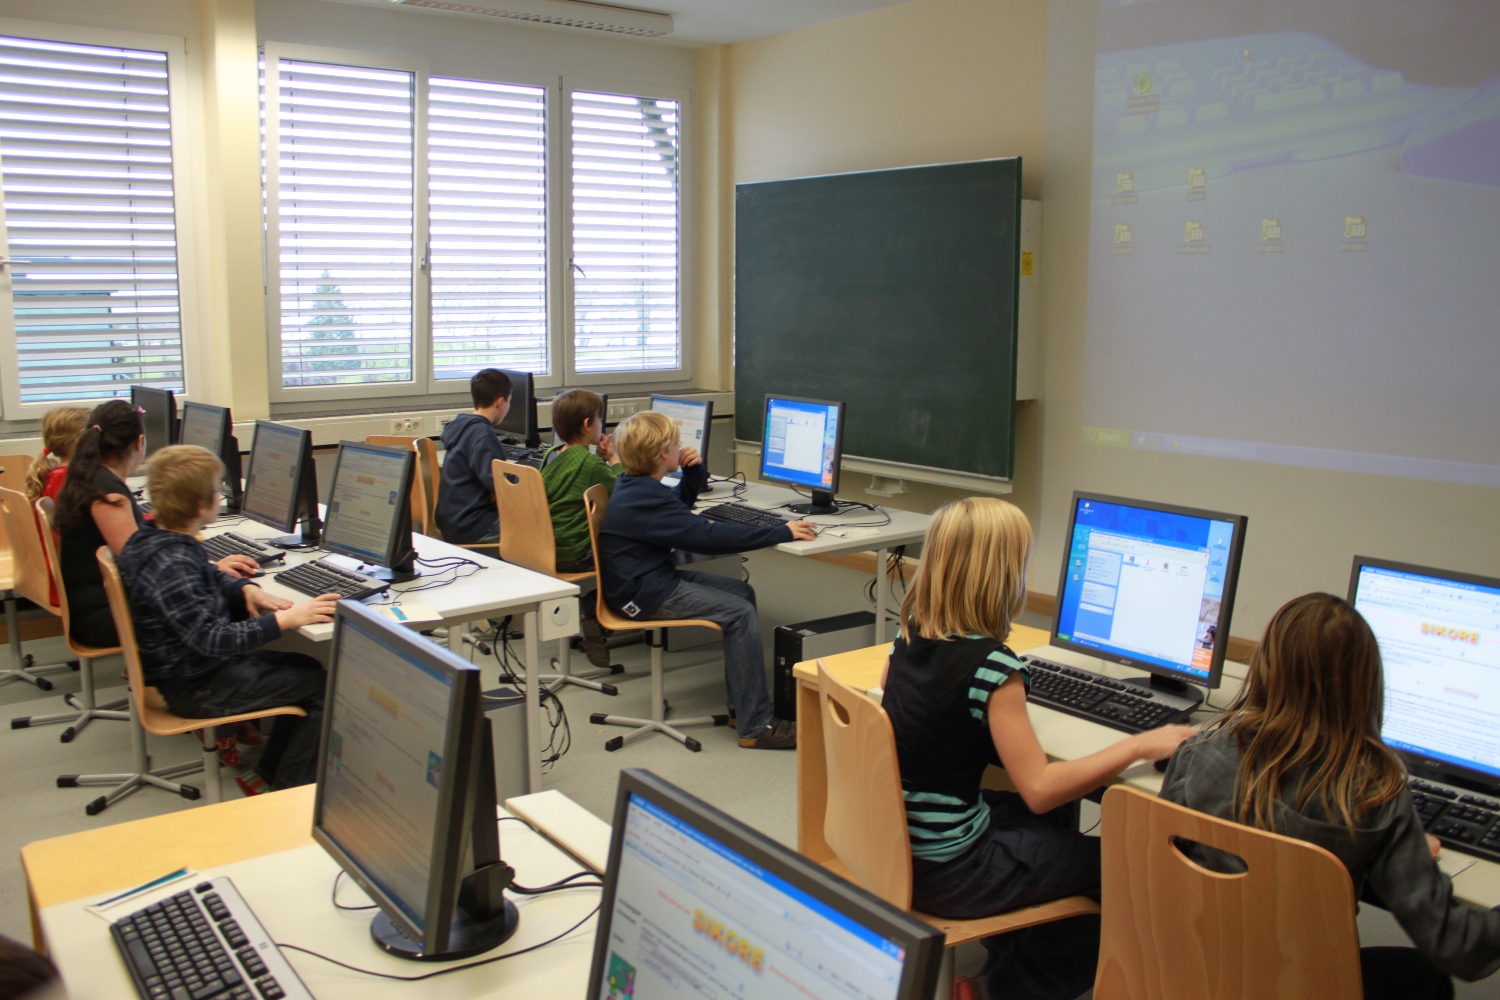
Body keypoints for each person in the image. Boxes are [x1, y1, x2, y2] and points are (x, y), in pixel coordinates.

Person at [879, 497, 1194, 1000]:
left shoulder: (910, 631)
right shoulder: (993, 666)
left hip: (899, 844)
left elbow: (905, 704)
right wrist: (1140, 744)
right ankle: (1008, 988)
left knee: (1053, 823)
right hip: (954, 869)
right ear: (1003, 574)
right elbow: (1041, 789)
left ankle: (1016, 946)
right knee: (1123, 869)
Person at [1160, 593, 1500, 1000]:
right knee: (1424, 977)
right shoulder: (1374, 797)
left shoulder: (1197, 753)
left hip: (1193, 970)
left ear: (1265, 666)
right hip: (1299, 985)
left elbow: (1168, 869)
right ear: (1366, 685)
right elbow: (1457, 947)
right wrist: (1399, 853)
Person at [116, 445, 337, 793]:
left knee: (307, 667)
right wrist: (287, 619)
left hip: (190, 672)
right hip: (197, 686)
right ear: (201, 506)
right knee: (325, 688)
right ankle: (287, 792)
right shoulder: (173, 563)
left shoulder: (153, 540)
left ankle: (265, 775)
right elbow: (212, 638)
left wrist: (242, 587)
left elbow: (205, 574)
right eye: (218, 491)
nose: (221, 497)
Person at [598, 410, 817, 749]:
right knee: (739, 614)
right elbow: (706, 537)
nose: (681, 447)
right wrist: (779, 531)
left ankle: (742, 708)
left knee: (741, 593)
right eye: (676, 444)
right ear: (662, 453)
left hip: (646, 581)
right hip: (641, 595)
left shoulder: (637, 486)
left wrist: (693, 473)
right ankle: (755, 725)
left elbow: (677, 509)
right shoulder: (644, 498)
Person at [541, 389, 621, 667]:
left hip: (546, 548)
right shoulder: (590, 464)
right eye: (600, 420)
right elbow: (623, 493)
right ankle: (596, 609)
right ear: (588, 425)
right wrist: (613, 459)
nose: (602, 426)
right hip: (574, 553)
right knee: (628, 549)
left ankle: (596, 611)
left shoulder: (551, 455)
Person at [437, 368, 512, 545]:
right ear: (500, 402)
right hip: (470, 525)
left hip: (452, 521)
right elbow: (501, 484)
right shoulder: (483, 435)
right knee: (537, 523)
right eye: (510, 401)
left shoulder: (462, 425)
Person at [25, 406, 89, 607]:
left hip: (50, 574)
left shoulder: (54, 474)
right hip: (65, 582)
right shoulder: (68, 481)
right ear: (78, 442)